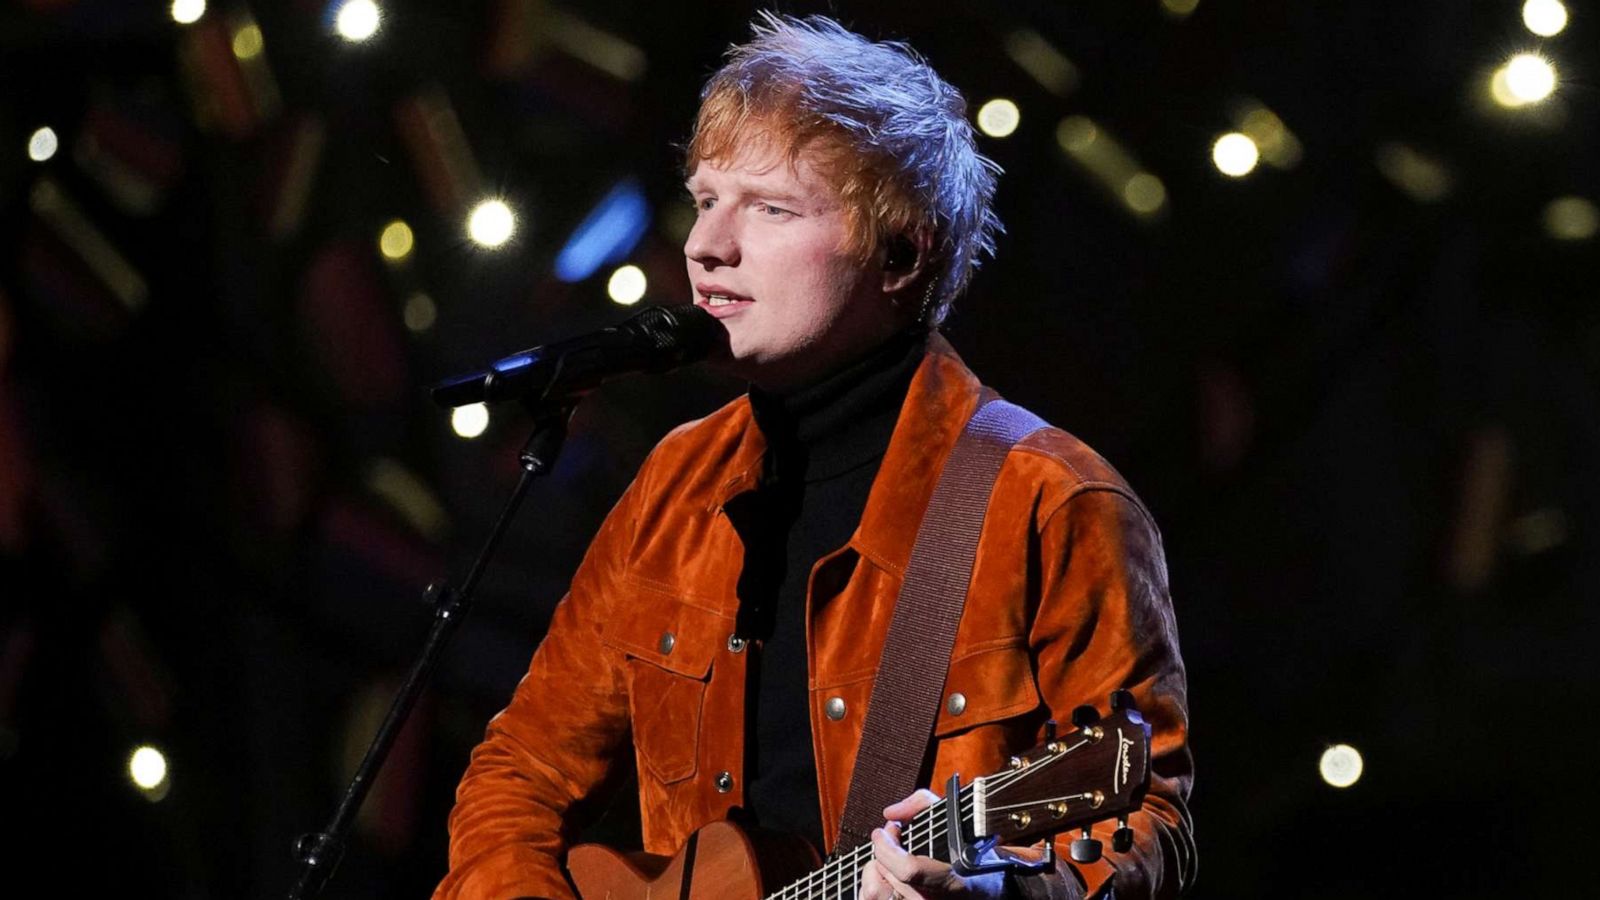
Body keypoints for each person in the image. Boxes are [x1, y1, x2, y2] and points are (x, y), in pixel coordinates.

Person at [435, 13, 1194, 900]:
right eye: (706, 198)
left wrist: (998, 894)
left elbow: (1146, 829)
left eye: (769, 206)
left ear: (902, 253)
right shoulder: (676, 488)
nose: (706, 246)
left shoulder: (1051, 500)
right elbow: (519, 774)